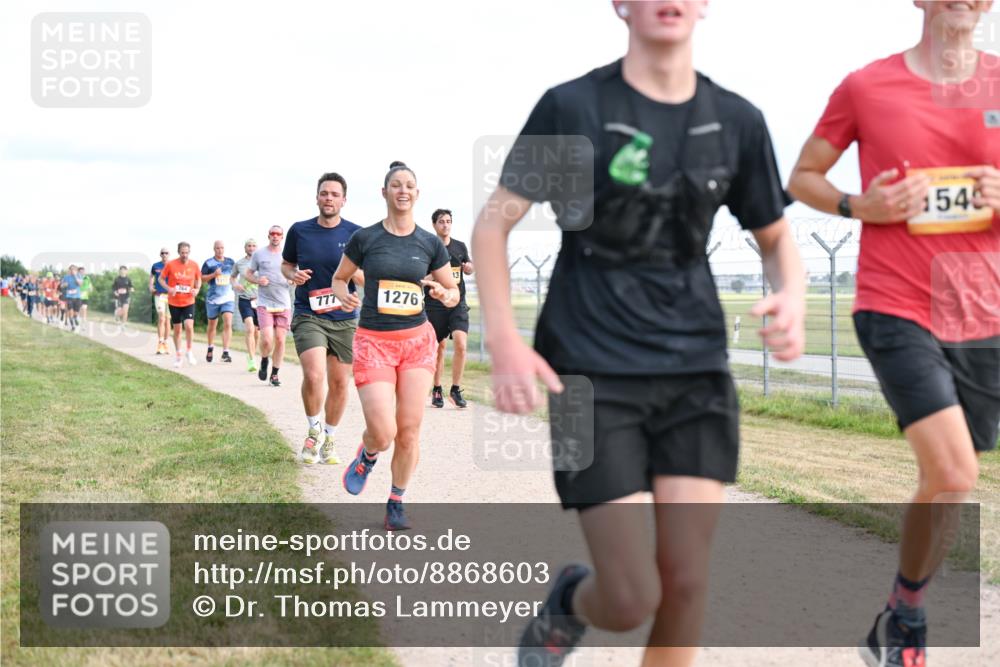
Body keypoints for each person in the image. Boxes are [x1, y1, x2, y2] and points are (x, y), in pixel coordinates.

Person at [472, 2, 806, 665]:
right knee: (629, 597)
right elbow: (492, 225)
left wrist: (791, 292)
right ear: (620, 5)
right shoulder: (570, 107)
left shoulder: (737, 120)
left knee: (686, 581)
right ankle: (572, 601)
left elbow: (774, 237)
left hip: (696, 372)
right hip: (586, 373)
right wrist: (504, 338)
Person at [786, 2, 999, 665]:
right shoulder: (867, 86)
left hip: (983, 315)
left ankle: (898, 612)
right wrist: (860, 205)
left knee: (950, 482)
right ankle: (908, 619)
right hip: (896, 302)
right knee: (954, 470)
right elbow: (803, 176)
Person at [333, 161, 459, 531]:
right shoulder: (365, 238)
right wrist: (342, 294)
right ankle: (368, 453)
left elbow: (452, 290)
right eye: (396, 185)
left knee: (409, 431)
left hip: (417, 343)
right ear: (384, 192)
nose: (403, 191)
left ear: (417, 194)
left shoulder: (430, 243)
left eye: (409, 185)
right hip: (374, 343)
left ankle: (396, 502)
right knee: (383, 432)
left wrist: (445, 294)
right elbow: (339, 278)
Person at [282, 172, 363, 465]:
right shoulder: (299, 230)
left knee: (340, 383)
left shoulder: (356, 234)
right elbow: (286, 264)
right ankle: (313, 430)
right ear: (317, 197)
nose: (329, 198)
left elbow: (366, 276)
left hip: (344, 317)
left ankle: (329, 437)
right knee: (314, 375)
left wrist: (353, 276)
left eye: (334, 194)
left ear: (344, 200)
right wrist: (293, 275)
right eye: (324, 193)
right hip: (309, 313)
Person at [424, 208, 474, 409]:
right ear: (434, 225)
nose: (445, 225)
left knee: (461, 344)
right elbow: (421, 278)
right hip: (435, 305)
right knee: (439, 348)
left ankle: (455, 389)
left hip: (457, 302)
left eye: (448, 221)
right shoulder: (428, 247)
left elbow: (468, 267)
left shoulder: (459, 246)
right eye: (441, 221)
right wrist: (439, 275)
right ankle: (437, 389)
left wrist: (469, 267)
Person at [247, 226, 292, 387]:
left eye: (278, 234)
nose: (275, 236)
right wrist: (257, 280)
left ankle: (274, 374)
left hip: (283, 303)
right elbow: (248, 273)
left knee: (280, 339)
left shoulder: (289, 254)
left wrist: (293, 279)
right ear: (268, 236)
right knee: (266, 339)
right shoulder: (259, 254)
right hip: (265, 303)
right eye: (272, 233)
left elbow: (295, 273)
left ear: (282, 237)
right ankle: (264, 359)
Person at [159, 242, 202, 368]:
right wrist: (169, 288)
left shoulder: (194, 265)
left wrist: (197, 289)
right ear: (178, 252)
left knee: (189, 326)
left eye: (187, 252)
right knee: (177, 329)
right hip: (174, 302)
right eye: (182, 252)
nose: (185, 255)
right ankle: (178, 355)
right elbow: (160, 279)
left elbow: (198, 279)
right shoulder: (171, 264)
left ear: (189, 252)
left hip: (188, 301)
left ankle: (189, 351)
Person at [201, 241, 236, 363]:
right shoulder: (208, 263)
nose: (220, 250)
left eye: (222, 248)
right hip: (213, 299)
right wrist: (213, 275)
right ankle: (210, 347)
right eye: (217, 248)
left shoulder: (230, 262)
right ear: (214, 249)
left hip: (228, 297)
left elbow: (234, 276)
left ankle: (225, 352)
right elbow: (201, 278)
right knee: (212, 325)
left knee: (228, 322)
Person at [233, 239, 260, 372]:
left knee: (256, 331)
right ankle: (251, 359)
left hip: (259, 300)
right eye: (249, 246)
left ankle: (253, 352)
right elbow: (232, 277)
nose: (251, 248)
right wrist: (236, 285)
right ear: (245, 248)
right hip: (244, 299)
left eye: (254, 246)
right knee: (249, 328)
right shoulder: (239, 263)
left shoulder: (261, 262)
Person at [150, 248, 172, 355]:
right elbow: (151, 277)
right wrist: (151, 286)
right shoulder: (156, 266)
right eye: (162, 253)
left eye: (166, 253)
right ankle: (160, 342)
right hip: (159, 295)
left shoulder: (173, 265)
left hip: (170, 296)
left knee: (168, 320)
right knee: (161, 318)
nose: (164, 255)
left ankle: (166, 343)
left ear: (169, 254)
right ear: (160, 254)